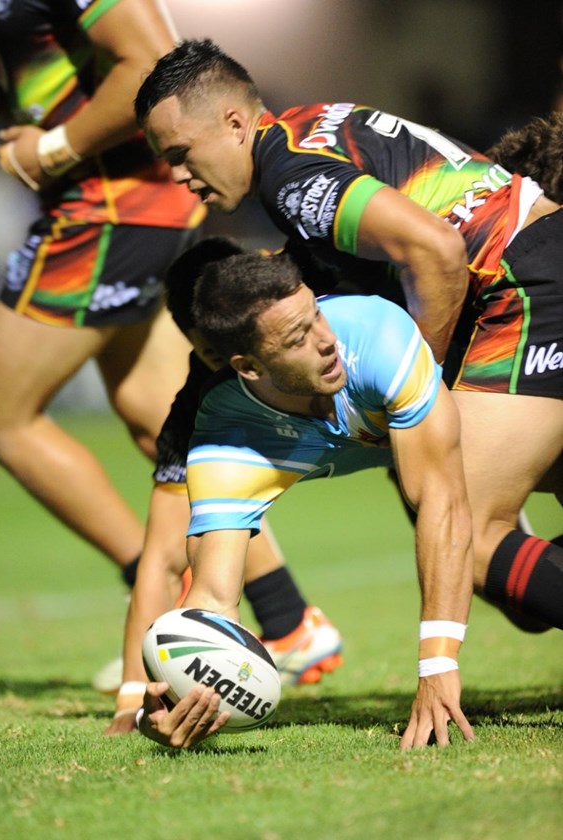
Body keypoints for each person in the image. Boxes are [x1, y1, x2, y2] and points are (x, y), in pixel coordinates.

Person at [133, 39, 563, 634]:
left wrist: (419, 385)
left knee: (474, 540)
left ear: (234, 123)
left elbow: (435, 251)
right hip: (542, 254)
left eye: (181, 152)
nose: (177, 175)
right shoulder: (307, 129)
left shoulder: (291, 179)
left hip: (524, 278)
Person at [135, 251, 477, 750]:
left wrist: (438, 664)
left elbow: (444, 505)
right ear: (249, 366)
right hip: (403, 445)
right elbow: (212, 596)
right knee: (511, 592)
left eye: (315, 312)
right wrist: (174, 700)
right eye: (298, 338)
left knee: (483, 542)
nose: (325, 340)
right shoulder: (229, 433)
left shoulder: (373, 334)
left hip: (480, 391)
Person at [0, 1, 204, 588]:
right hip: (132, 204)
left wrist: (55, 149)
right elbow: (64, 74)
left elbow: (150, 61)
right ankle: (289, 620)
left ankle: (164, 589)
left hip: (114, 206)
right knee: (159, 419)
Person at [104, 237, 344, 735]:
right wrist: (132, 701)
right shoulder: (200, 404)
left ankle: (291, 624)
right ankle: (292, 627)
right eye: (213, 351)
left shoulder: (337, 321)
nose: (232, 358)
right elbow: (163, 559)